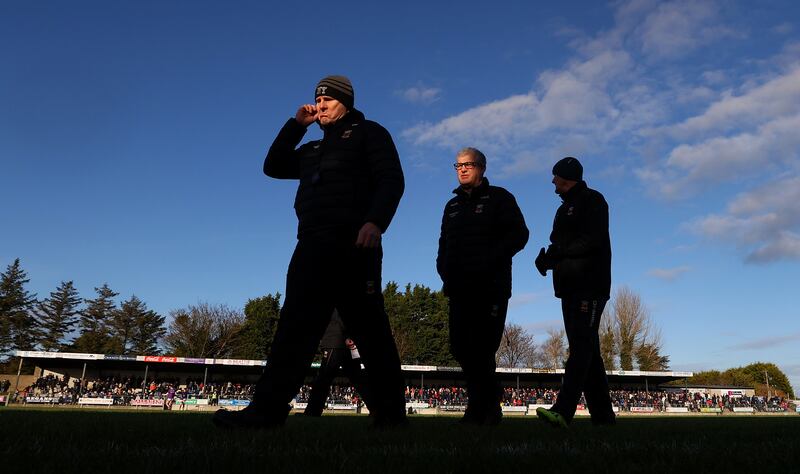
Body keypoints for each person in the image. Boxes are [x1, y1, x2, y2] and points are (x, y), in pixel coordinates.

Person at [213, 75, 406, 429]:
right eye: (317, 101)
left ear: (346, 101)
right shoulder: (311, 150)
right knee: (293, 329)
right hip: (311, 246)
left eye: (328, 100)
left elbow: (391, 179)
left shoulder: (369, 132)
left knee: (371, 332)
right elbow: (272, 167)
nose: (321, 106)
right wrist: (295, 126)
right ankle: (267, 411)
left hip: (355, 245)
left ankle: (392, 415)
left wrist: (375, 222)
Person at [436, 147, 529, 425]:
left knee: (483, 349)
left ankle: (480, 409)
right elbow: (443, 242)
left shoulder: (500, 198)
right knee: (460, 347)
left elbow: (520, 234)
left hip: (491, 287)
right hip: (459, 287)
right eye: (458, 165)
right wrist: (443, 269)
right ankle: (491, 398)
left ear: (482, 168)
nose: (462, 169)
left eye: (469, 164)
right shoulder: (451, 205)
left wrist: (489, 259)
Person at [534, 156, 615, 427]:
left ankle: (563, 410)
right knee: (589, 350)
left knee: (581, 348)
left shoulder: (593, 200)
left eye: (555, 176)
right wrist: (547, 260)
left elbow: (593, 240)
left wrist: (561, 252)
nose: (552, 181)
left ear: (567, 176)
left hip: (590, 285)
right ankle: (604, 418)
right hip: (568, 287)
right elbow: (558, 243)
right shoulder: (563, 208)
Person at [303, 310, 371, 416]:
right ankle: (377, 409)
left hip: (335, 341)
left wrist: (347, 336)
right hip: (340, 340)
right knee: (358, 378)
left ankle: (313, 411)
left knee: (323, 378)